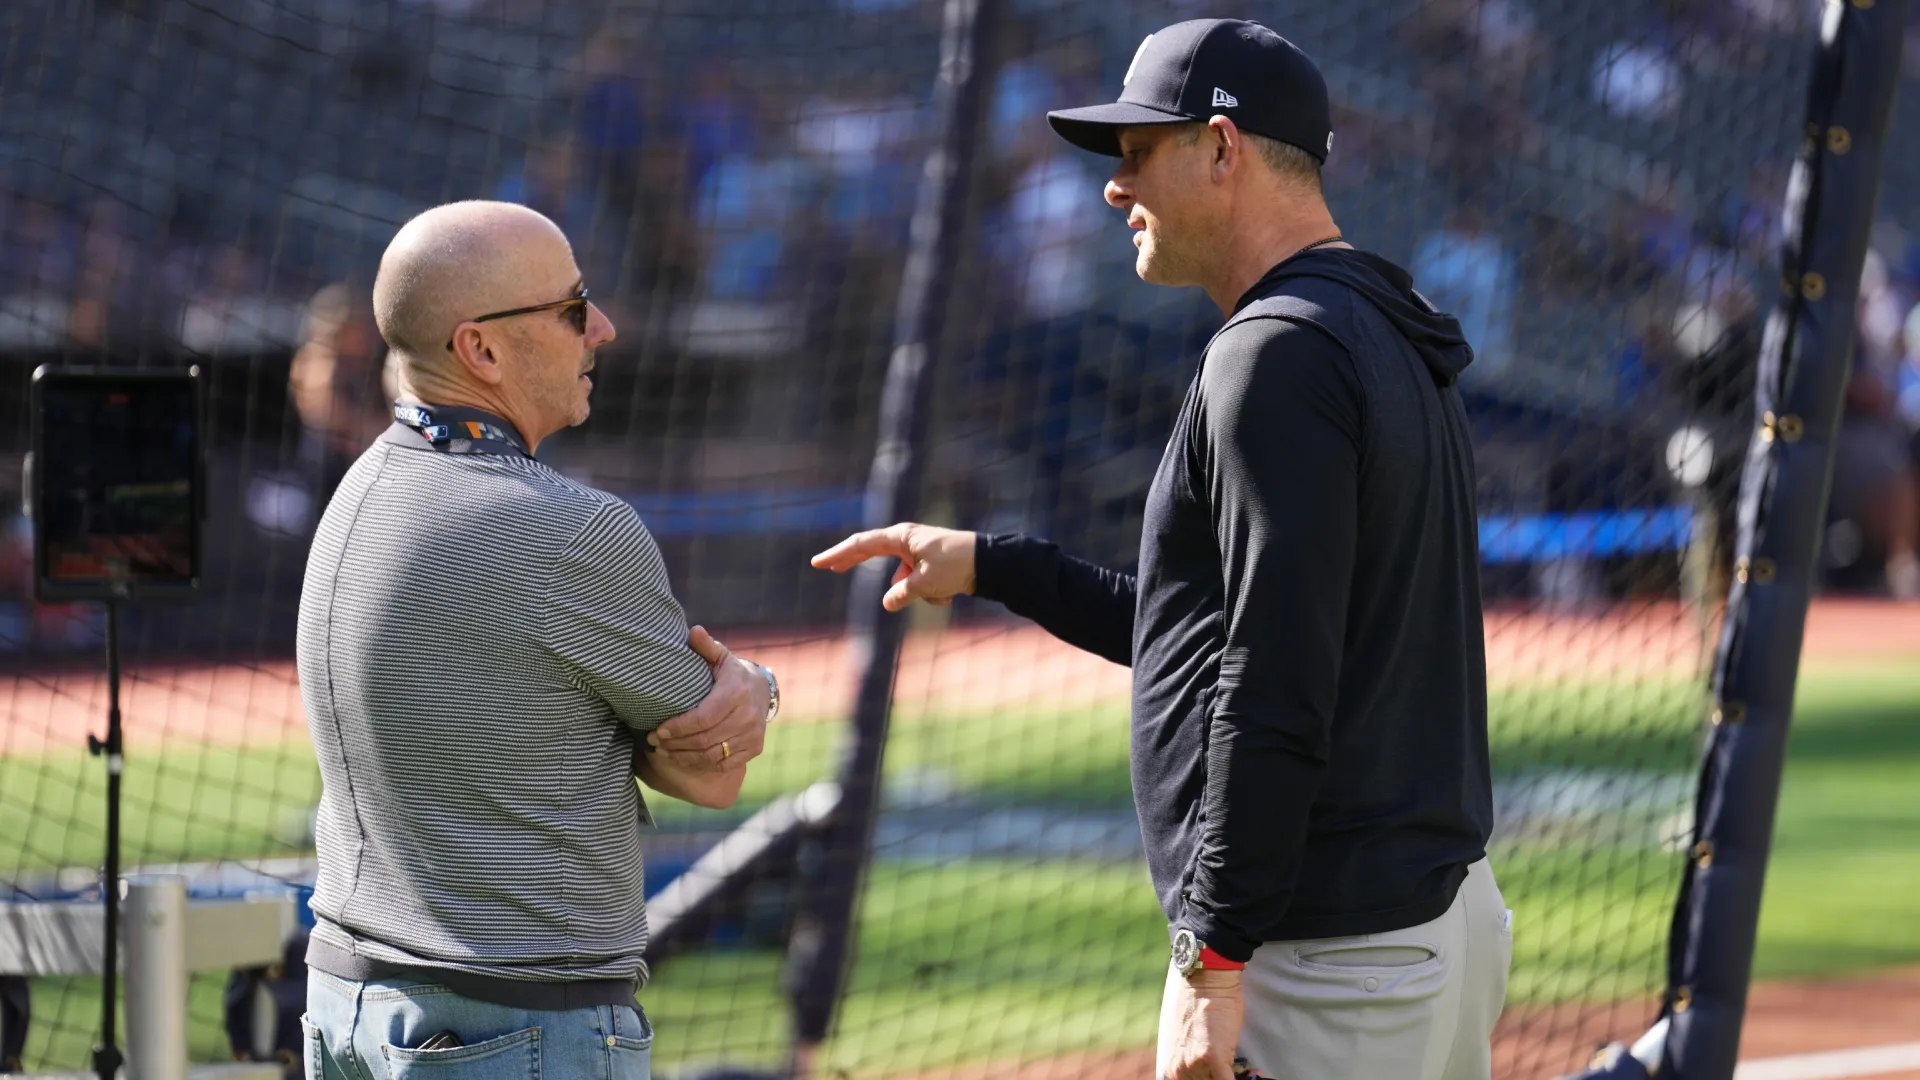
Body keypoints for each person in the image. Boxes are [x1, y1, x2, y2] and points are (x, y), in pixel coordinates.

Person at [813, 21, 1507, 1080]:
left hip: (1327, 959)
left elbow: (1273, 681)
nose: (1112, 185)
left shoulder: (1275, 356)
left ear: (1223, 149)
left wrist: (1211, 958)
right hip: (1426, 924)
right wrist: (995, 565)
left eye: (1138, 152)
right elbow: (1214, 626)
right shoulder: (1376, 315)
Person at [298, 200, 782, 1080]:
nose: (602, 326)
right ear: (481, 349)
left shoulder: (358, 492)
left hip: (348, 1001)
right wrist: (754, 684)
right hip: (511, 1029)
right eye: (571, 308)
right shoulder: (571, 532)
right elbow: (715, 772)